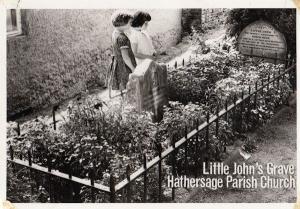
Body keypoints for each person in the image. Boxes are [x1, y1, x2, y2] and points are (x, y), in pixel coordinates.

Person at [106, 10, 137, 97]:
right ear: (122, 23)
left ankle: (124, 95)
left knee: (121, 80)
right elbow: (126, 57)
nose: (131, 25)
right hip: (124, 64)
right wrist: (133, 68)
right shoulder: (122, 38)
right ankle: (131, 97)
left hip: (117, 60)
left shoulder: (115, 33)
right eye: (130, 23)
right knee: (129, 81)